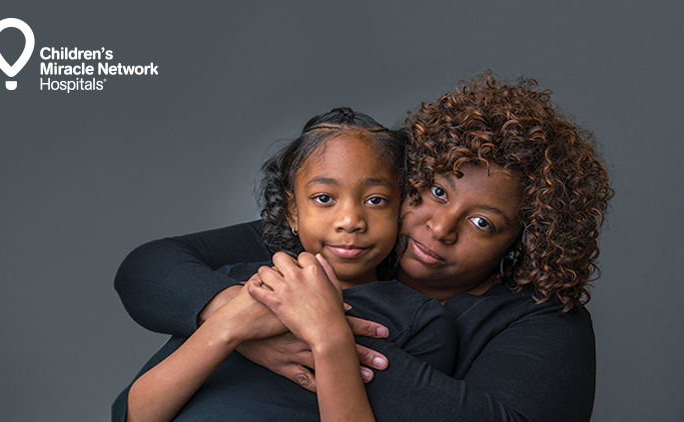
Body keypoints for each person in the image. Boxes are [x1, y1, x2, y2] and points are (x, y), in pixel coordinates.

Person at [115, 73, 613, 421]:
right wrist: (247, 317)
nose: (440, 228)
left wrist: (323, 333)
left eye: (483, 222)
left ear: (524, 238)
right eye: (436, 191)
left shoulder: (538, 321)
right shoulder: (327, 248)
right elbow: (150, 268)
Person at [113, 108, 457, 422]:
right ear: (293, 211)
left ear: (401, 208)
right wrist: (231, 325)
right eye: (324, 198)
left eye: (375, 200)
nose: (350, 220)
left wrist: (329, 337)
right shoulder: (246, 282)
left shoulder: (418, 321)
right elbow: (134, 415)